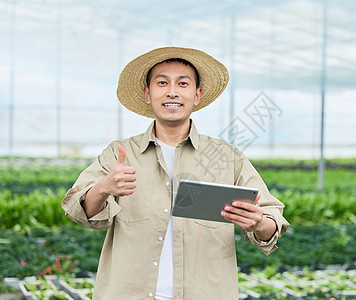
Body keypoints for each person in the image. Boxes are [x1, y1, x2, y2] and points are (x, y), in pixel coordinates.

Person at [62, 46, 289, 300]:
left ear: (197, 94)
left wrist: (259, 223)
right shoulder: (121, 153)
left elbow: (273, 221)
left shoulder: (228, 157)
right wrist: (104, 187)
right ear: (148, 94)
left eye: (183, 83)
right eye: (162, 82)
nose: (172, 91)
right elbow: (78, 209)